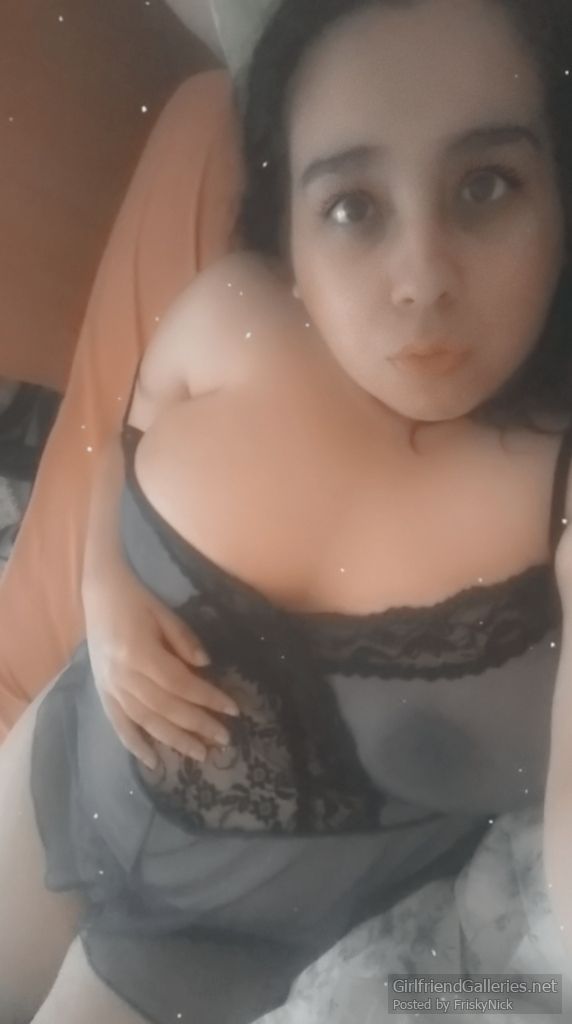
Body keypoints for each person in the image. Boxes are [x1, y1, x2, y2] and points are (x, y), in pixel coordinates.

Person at [2, 0, 572, 1020]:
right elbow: (124, 437)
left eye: (484, 185)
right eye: (352, 207)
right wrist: (102, 591)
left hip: (220, 961)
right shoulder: (231, 313)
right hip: (59, 768)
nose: (421, 280)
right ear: (290, 226)